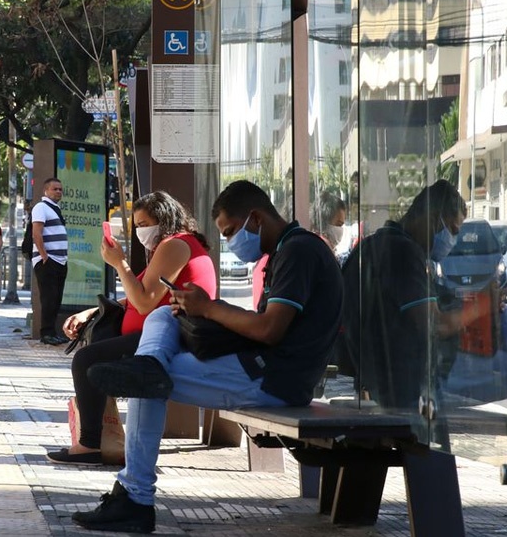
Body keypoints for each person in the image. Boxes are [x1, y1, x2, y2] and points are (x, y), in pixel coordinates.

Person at [73, 180, 344, 533]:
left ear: (256, 218)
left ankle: (135, 499)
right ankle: (150, 364)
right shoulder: (287, 250)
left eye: (232, 231)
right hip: (260, 366)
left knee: (144, 382)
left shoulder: (299, 252)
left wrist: (211, 308)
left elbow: (269, 330)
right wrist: (200, 308)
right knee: (161, 320)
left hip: (274, 377)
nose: (231, 241)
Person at [46, 191, 217, 466]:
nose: (140, 231)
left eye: (144, 224)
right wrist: (91, 311)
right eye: (136, 226)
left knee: (87, 359)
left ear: (164, 219)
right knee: (92, 354)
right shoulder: (171, 246)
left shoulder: (175, 245)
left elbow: (145, 302)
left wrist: (119, 264)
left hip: (171, 337)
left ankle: (90, 444)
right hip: (156, 334)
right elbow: (138, 295)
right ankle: (97, 439)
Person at [340, 179, 466, 413]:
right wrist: (482, 305)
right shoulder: (404, 253)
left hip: (375, 386)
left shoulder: (370, 247)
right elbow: (433, 324)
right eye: (452, 229)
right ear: (433, 217)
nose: (452, 240)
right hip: (404, 394)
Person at [31, 177, 69, 345]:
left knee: (56, 299)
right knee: (48, 298)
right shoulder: (41, 207)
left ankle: (53, 332)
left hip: (60, 260)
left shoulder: (55, 209)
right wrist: (44, 255)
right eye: (55, 189)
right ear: (46, 191)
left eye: (60, 189)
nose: (59, 192)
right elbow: (36, 233)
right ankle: (46, 333)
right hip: (48, 261)